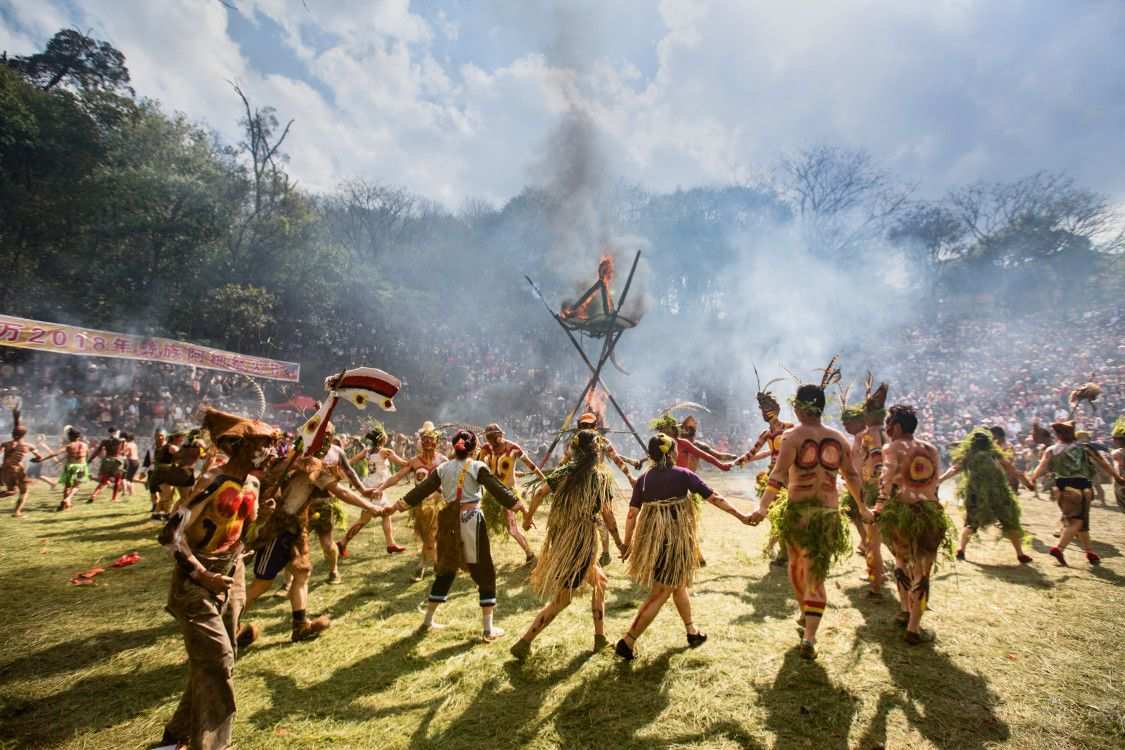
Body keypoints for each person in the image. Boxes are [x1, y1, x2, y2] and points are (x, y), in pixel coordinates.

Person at [155, 409, 278, 750]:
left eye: (270, 445)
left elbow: (241, 535)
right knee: (218, 660)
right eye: (262, 444)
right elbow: (171, 534)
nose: (269, 452)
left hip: (231, 577)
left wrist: (263, 516)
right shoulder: (212, 480)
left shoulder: (253, 483)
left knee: (218, 660)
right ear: (238, 446)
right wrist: (203, 574)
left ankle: (173, 738)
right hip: (195, 583)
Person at [747, 364, 869, 660]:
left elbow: (777, 476)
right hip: (827, 514)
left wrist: (762, 508)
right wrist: (862, 508)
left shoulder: (793, 438)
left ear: (799, 408)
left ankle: (808, 625)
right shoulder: (838, 438)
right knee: (816, 574)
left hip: (798, 513)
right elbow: (852, 476)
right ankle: (809, 630)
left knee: (797, 566)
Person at [237, 426, 386, 647]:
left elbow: (344, 482)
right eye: (324, 438)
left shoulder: (299, 459)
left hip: (295, 529)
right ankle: (226, 624)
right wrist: (370, 506)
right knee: (262, 584)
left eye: (329, 437)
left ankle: (300, 625)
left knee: (301, 574)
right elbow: (342, 492)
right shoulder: (304, 463)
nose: (327, 442)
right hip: (277, 530)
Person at [379, 429, 528, 641]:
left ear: (453, 447)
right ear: (474, 448)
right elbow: (497, 490)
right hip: (472, 520)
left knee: (446, 569)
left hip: (448, 521)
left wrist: (396, 507)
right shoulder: (478, 467)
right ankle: (488, 629)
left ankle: (428, 620)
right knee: (484, 570)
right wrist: (519, 506)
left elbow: (420, 491)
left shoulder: (442, 469)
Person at [615, 432, 748, 661]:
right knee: (661, 592)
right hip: (670, 541)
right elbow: (713, 496)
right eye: (676, 450)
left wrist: (627, 544)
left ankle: (692, 631)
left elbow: (631, 515)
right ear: (671, 452)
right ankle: (628, 641)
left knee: (679, 584)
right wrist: (740, 515)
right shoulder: (683, 475)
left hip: (657, 542)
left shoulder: (644, 480)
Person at [510, 429, 622, 660]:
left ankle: (599, 638)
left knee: (600, 581)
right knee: (563, 599)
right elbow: (608, 515)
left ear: (575, 449)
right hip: (580, 541)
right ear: (596, 450)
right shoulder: (600, 477)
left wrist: (529, 517)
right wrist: (619, 543)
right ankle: (524, 641)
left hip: (564, 537)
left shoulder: (564, 471)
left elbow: (540, 492)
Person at [875, 404, 954, 645]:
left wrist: (878, 508)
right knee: (923, 571)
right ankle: (913, 626)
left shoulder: (892, 448)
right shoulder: (931, 449)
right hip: (931, 514)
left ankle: (905, 609)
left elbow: (885, 480)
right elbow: (935, 483)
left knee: (901, 561)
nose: (887, 429)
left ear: (896, 426)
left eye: (888, 424)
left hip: (904, 515)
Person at [1027, 420, 1124, 566]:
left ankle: (1090, 552)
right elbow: (1103, 463)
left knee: (1082, 522)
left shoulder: (1051, 450)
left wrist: (1032, 480)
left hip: (1062, 489)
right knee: (1076, 522)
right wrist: (1117, 477)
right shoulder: (1085, 448)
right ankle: (1059, 548)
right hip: (1081, 490)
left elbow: (1042, 466)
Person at [939, 428, 1034, 564]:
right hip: (998, 493)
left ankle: (961, 549)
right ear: (989, 442)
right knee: (1010, 522)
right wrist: (1027, 483)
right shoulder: (994, 454)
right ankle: (1020, 554)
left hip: (975, 493)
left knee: (971, 523)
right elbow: (1012, 470)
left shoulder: (969, 456)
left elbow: (954, 469)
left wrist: (940, 480)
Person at [735, 372, 795, 567]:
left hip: (790, 476)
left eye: (767, 408)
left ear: (776, 409)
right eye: (762, 409)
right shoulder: (766, 433)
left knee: (786, 512)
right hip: (773, 476)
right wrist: (736, 461)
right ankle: (779, 547)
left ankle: (783, 550)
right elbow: (752, 452)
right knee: (773, 512)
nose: (764, 413)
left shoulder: (790, 428)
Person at [375, 427, 447, 580]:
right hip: (420, 505)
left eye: (431, 440)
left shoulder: (443, 461)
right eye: (424, 440)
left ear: (436, 443)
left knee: (431, 537)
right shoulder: (414, 461)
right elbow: (397, 476)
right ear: (420, 442)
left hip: (439, 504)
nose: (427, 443)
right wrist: (381, 488)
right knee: (427, 536)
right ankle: (425, 564)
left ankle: (430, 566)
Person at [305, 425, 371, 585]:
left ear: (333, 435)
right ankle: (288, 580)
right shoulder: (306, 449)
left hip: (325, 503)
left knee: (327, 544)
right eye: (321, 433)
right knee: (296, 542)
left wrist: (363, 489)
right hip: (303, 504)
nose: (324, 437)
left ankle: (334, 570)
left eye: (328, 434)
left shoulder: (337, 451)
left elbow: (349, 471)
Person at [478, 422, 547, 566]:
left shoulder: (514, 449)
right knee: (481, 525)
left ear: (499, 436)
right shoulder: (486, 448)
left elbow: (531, 465)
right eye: (488, 438)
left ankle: (530, 554)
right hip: (492, 494)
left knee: (512, 529)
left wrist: (545, 481)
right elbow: (481, 467)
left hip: (508, 494)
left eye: (492, 438)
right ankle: (478, 557)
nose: (490, 442)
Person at [337, 425, 408, 557]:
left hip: (371, 486)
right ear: (382, 439)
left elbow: (350, 462)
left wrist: (340, 469)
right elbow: (403, 463)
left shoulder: (367, 451)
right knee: (364, 520)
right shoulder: (385, 452)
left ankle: (390, 544)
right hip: (376, 489)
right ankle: (342, 542)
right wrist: (416, 462)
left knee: (386, 513)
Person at [1, 410, 44, 517]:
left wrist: (16, 419)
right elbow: (39, 457)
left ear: (12, 434)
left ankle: (17, 512)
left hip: (4, 470)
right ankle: (17, 512)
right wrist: (36, 459)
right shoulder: (28, 446)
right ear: (24, 435)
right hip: (17, 471)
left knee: (11, 490)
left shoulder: (5, 444)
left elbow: (16, 432)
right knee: (23, 491)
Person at [41, 427, 89, 511]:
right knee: (76, 486)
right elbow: (84, 455)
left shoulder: (69, 445)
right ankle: (67, 500)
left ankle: (66, 501)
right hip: (81, 466)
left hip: (70, 466)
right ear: (79, 437)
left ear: (70, 437)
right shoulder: (85, 445)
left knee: (67, 486)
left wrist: (42, 459)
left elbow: (55, 454)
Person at [86, 427, 126, 503]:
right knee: (117, 480)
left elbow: (97, 451)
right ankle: (114, 498)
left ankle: (94, 495)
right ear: (116, 432)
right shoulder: (120, 441)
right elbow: (122, 451)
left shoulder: (105, 441)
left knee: (103, 480)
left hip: (107, 461)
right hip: (117, 461)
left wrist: (90, 460)